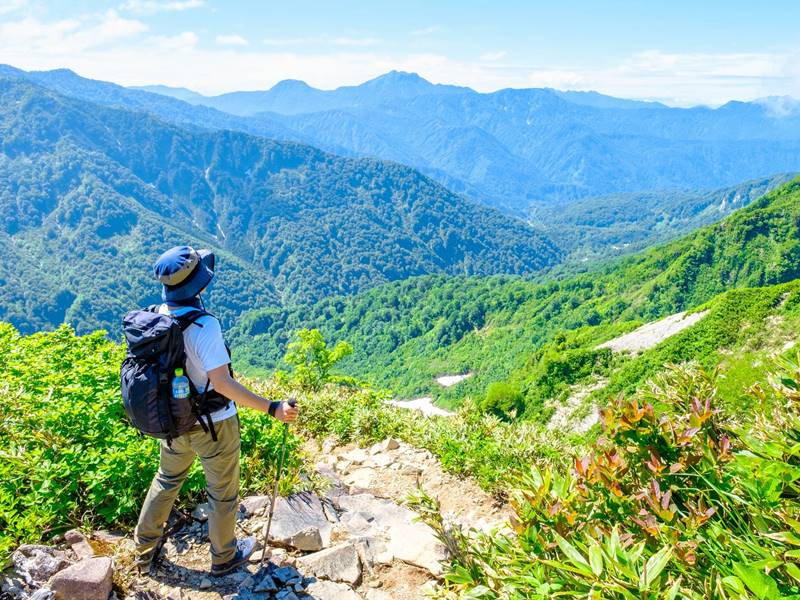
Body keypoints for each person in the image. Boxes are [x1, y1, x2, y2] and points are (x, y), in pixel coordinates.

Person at [133, 245, 299, 577]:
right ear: (199, 285)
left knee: (167, 480)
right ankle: (223, 557)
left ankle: (143, 550)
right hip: (215, 425)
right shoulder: (204, 325)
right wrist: (271, 408)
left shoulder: (154, 316)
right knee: (223, 494)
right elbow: (221, 383)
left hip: (173, 422)